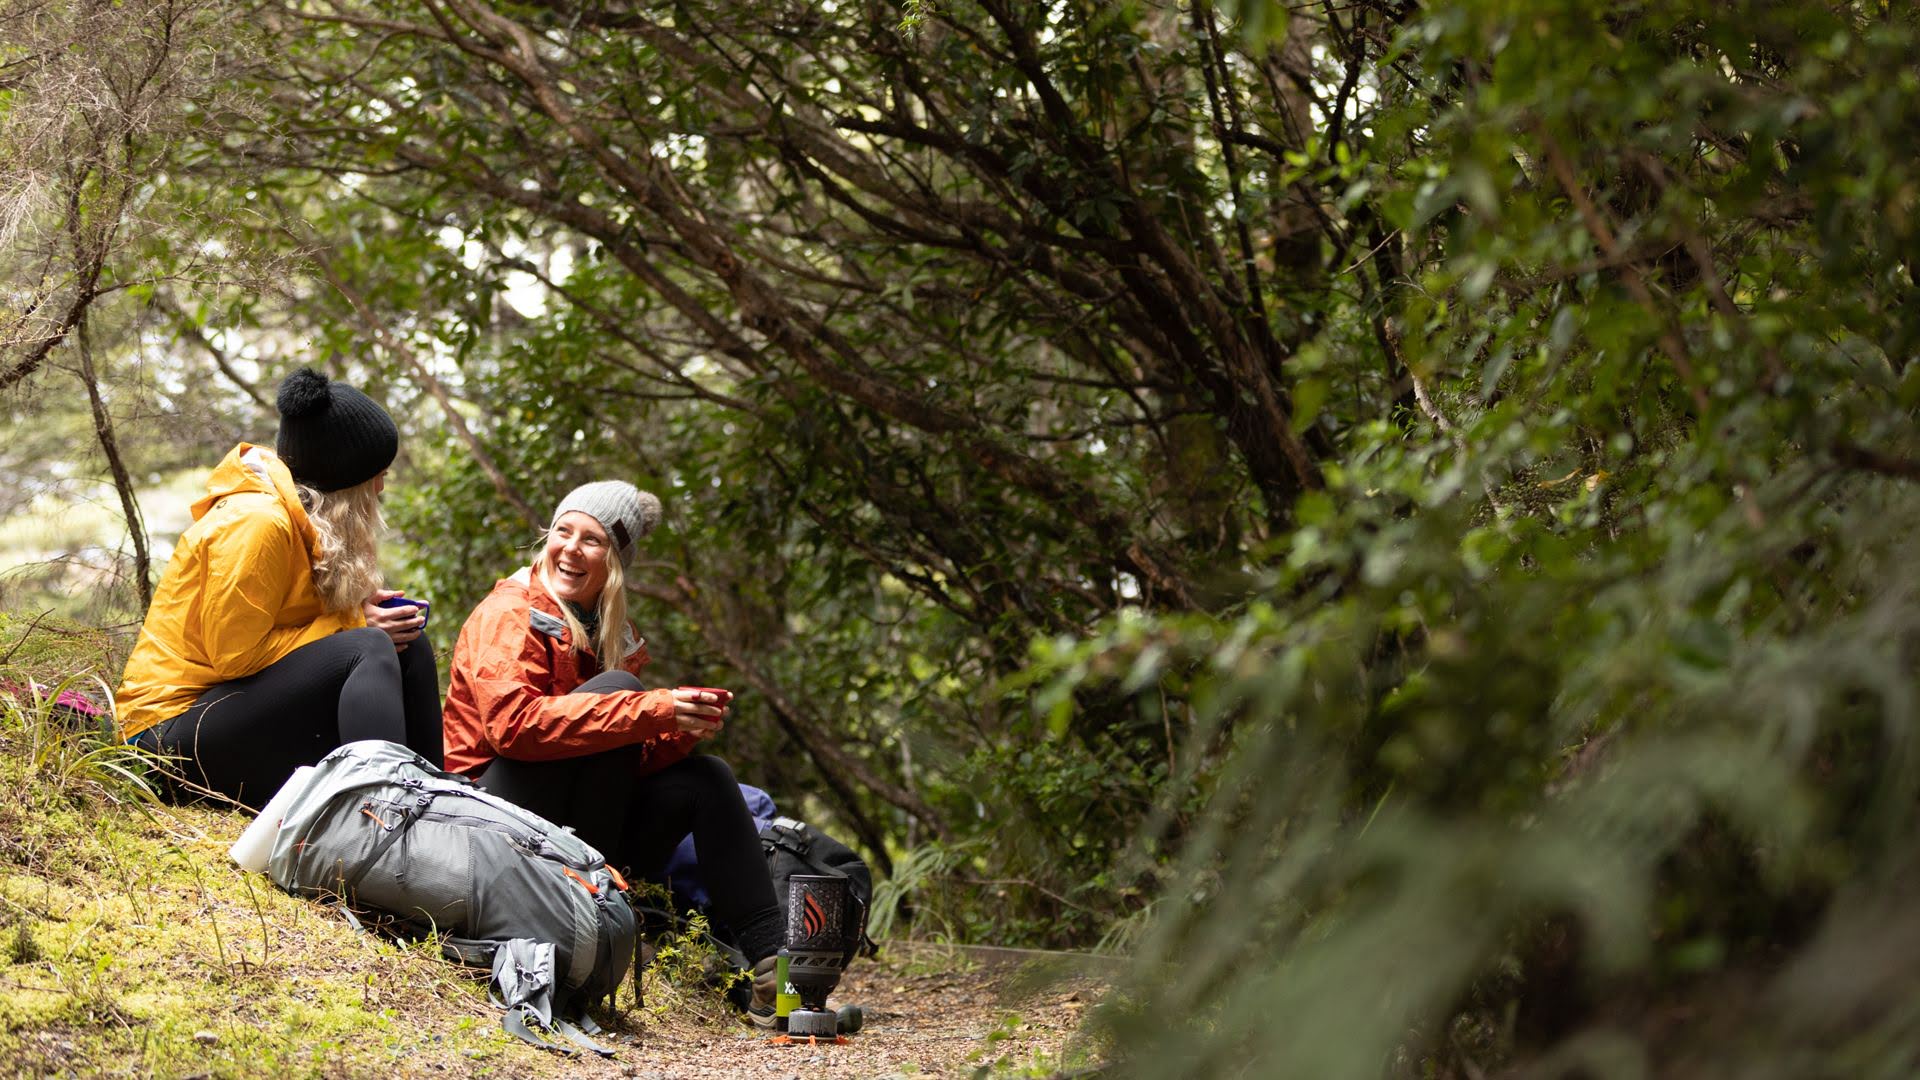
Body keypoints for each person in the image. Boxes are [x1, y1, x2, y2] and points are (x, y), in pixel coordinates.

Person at [441, 480, 786, 1024]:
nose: (571, 548)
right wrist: (650, 709)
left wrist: (680, 730)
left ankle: (779, 982)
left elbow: (615, 760)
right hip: (488, 823)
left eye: (592, 539)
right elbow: (514, 728)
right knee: (618, 689)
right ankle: (593, 910)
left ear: (615, 563)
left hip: (568, 829)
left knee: (707, 778)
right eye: (563, 531)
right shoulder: (510, 612)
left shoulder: (611, 633)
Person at [115, 368, 441, 805]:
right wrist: (351, 624)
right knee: (368, 646)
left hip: (227, 717)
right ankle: (387, 814)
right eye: (377, 475)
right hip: (162, 742)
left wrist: (356, 616)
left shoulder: (300, 523)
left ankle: (434, 802)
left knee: (407, 646)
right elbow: (236, 657)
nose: (381, 487)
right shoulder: (257, 522)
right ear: (342, 478)